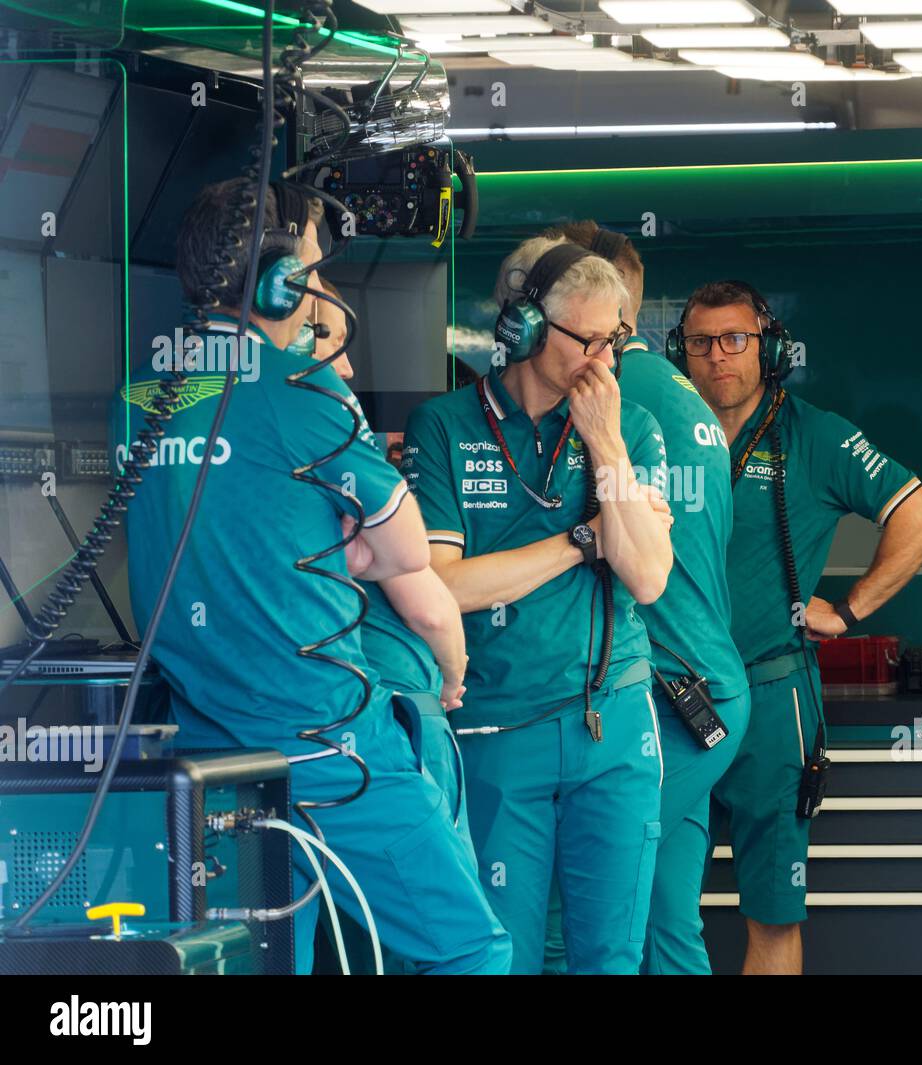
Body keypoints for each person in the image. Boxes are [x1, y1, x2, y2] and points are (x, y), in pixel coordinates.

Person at [114, 179, 509, 974]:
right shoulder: (304, 391)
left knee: (261, 961)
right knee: (472, 947)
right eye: (313, 270)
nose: (321, 289)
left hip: (209, 752)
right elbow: (406, 550)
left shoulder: (140, 397)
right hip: (329, 739)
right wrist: (355, 546)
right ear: (277, 283)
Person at [401, 234, 674, 974]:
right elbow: (442, 586)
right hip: (494, 723)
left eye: (615, 340)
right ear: (522, 328)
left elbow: (648, 576)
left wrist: (607, 445)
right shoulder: (445, 425)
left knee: (611, 958)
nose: (605, 362)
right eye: (588, 341)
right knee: (500, 956)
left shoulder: (629, 425)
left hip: (612, 722)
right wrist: (582, 541)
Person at [685, 280, 922, 974]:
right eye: (701, 342)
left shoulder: (817, 435)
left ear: (769, 348)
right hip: (671, 698)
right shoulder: (659, 432)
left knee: (773, 909)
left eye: (735, 339)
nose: (718, 356)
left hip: (773, 699)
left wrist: (849, 608)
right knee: (655, 902)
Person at [539, 223, 751, 974]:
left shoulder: (614, 399)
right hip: (705, 686)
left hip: (665, 696)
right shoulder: (679, 391)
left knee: (575, 908)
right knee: (665, 921)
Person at [302, 279, 511, 975]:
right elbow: (425, 597)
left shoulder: (247, 431)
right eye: (333, 342)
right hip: (386, 717)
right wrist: (453, 674)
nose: (349, 368)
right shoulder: (332, 433)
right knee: (465, 944)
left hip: (270, 724)